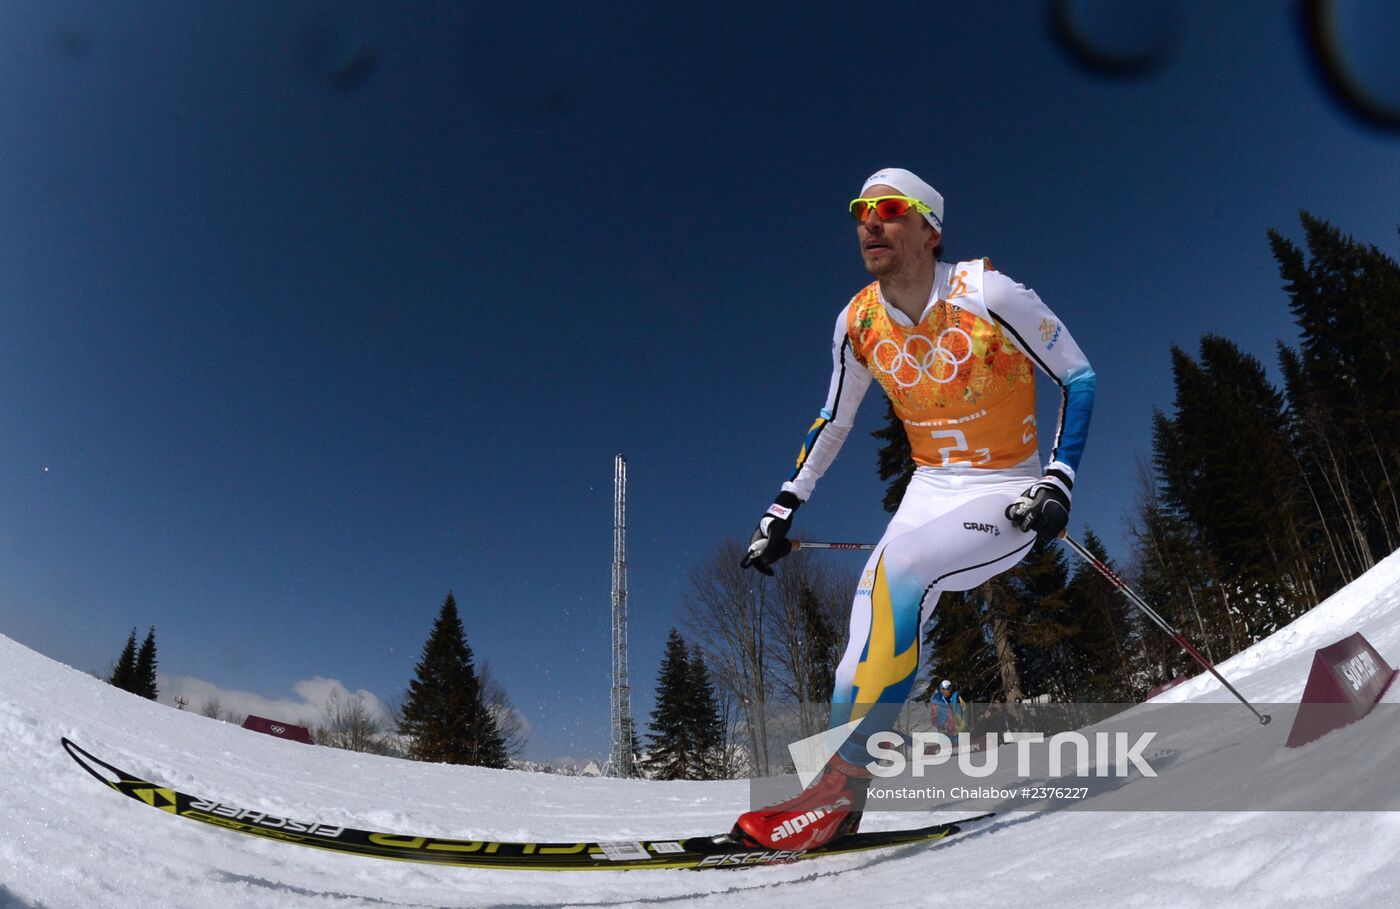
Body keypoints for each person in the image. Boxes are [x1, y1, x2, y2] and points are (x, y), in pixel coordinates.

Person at [731, 167, 1095, 850]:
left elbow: (1078, 374)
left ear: (930, 230)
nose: (869, 222)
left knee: (900, 568)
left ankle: (836, 790)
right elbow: (832, 420)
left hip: (1004, 486)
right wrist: (784, 506)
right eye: (859, 210)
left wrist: (1059, 479)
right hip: (932, 485)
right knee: (856, 647)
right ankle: (834, 804)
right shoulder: (857, 322)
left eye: (889, 209)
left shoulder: (988, 292)